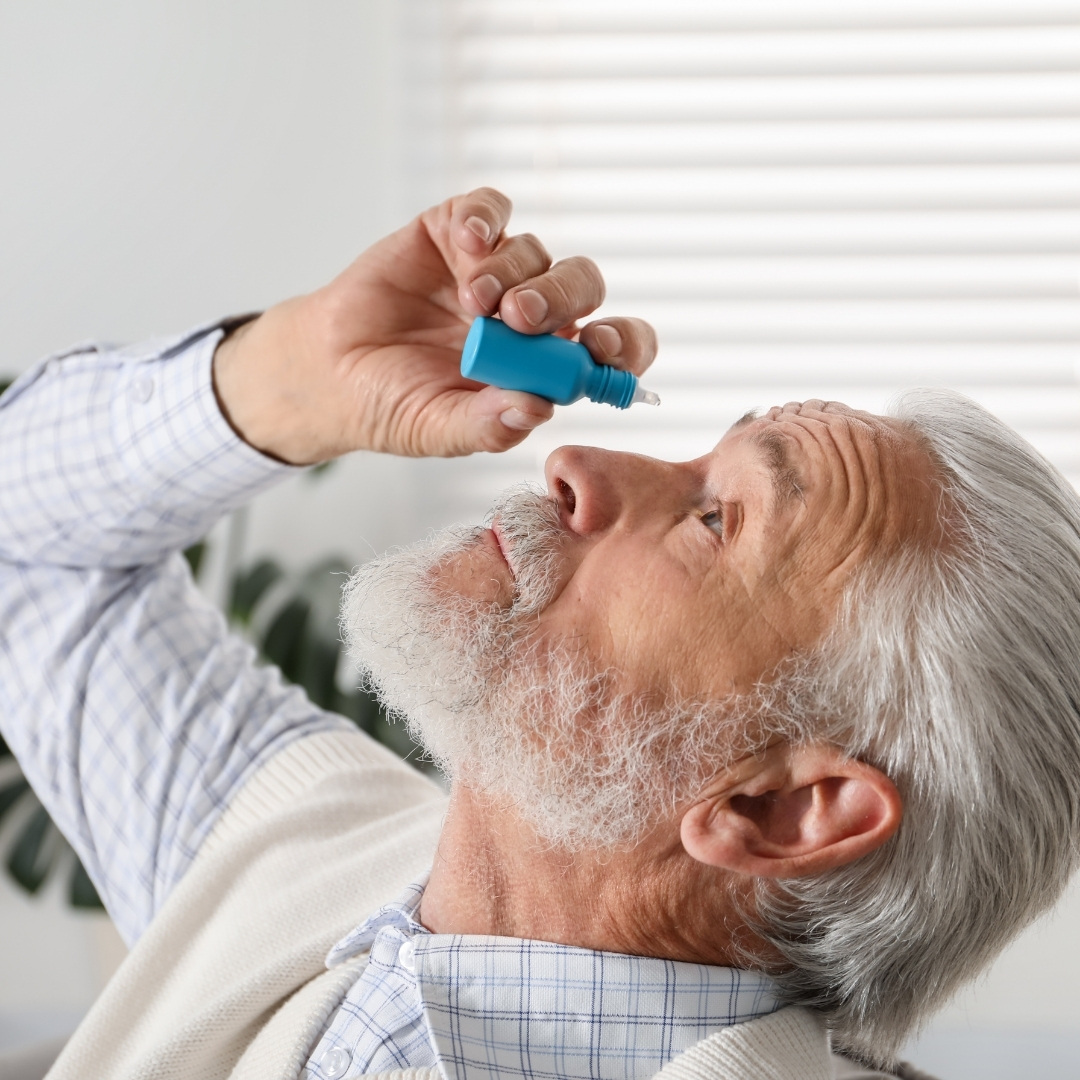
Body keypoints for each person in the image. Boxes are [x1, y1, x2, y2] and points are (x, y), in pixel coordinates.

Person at [2, 188, 1079, 1080]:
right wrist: (300, 372)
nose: (578, 465)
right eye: (700, 467)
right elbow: (28, 553)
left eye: (715, 519)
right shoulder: (297, 852)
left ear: (780, 808)